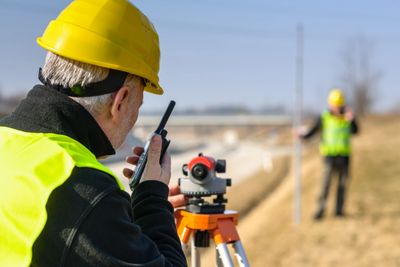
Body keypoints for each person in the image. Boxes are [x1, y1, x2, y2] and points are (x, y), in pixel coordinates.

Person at [0, 0, 187, 266]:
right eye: (138, 105)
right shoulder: (85, 190)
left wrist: (122, 220)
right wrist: (151, 201)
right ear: (121, 101)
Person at [297, 88, 359, 220]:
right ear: (330, 104)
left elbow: (356, 131)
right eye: (334, 104)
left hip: (344, 156)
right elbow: (313, 131)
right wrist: (301, 135)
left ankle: (339, 211)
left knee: (342, 185)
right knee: (325, 185)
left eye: (339, 104)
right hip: (329, 157)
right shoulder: (324, 117)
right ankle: (320, 211)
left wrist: (352, 119)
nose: (336, 107)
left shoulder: (347, 117)